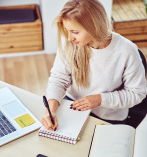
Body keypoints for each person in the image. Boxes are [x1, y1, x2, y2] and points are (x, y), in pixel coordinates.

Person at [42, 0, 147, 131]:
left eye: (75, 32)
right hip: (73, 106)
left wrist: (100, 99)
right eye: (66, 30)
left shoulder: (127, 51)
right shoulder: (69, 44)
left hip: (108, 117)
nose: (69, 38)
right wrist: (50, 110)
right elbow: (58, 79)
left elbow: (137, 93)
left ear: (94, 27)